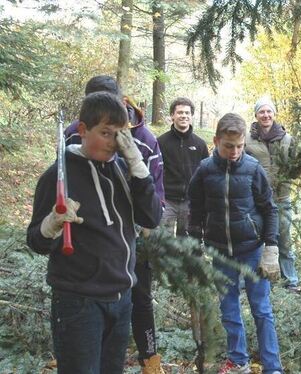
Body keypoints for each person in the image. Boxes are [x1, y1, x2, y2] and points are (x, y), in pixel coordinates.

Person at [26, 92, 162, 373]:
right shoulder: (58, 176)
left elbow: (152, 216)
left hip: (121, 298)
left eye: (119, 134)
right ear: (83, 130)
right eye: (105, 133)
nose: (113, 142)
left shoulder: (123, 170)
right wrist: (51, 223)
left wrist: (139, 168)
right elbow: (35, 241)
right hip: (79, 303)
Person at [63, 75, 166, 373]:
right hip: (89, 240)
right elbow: (67, 175)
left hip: (135, 235)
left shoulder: (144, 138)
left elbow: (155, 191)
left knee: (141, 298)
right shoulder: (74, 132)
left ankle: (150, 359)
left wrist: (149, 220)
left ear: (122, 100)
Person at [188, 113, 283, 374]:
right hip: (220, 253)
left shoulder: (253, 169)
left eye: (240, 146)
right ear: (216, 141)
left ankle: (272, 367)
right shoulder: (205, 171)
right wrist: (195, 249)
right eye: (228, 146)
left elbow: (270, 209)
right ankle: (238, 361)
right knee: (229, 308)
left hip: (252, 250)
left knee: (262, 309)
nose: (234, 152)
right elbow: (194, 212)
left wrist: (271, 248)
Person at [245, 97, 301, 293]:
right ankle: (254, 278)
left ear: (274, 114)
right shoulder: (247, 140)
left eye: (269, 111)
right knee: (254, 239)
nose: (265, 115)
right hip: (256, 199)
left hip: (281, 198)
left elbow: (293, 172)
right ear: (256, 115)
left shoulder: (287, 139)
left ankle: (290, 281)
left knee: (284, 240)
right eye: (261, 112)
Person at [157, 97, 209, 236]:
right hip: (167, 201)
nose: (184, 116)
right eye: (180, 112)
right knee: (163, 241)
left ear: (191, 116)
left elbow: (206, 174)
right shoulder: (160, 142)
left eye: (187, 113)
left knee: (188, 242)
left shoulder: (200, 144)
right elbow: (156, 171)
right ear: (172, 116)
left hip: (190, 202)